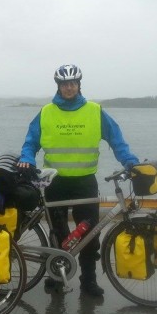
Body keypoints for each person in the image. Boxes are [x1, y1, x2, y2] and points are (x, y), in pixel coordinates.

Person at [18, 64, 139, 297]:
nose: (69, 87)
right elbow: (31, 142)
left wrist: (129, 161)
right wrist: (26, 158)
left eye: (73, 83)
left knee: (89, 235)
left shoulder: (94, 110)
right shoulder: (46, 112)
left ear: (79, 85)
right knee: (59, 235)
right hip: (55, 183)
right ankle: (56, 278)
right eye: (64, 84)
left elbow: (116, 139)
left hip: (85, 182)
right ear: (59, 86)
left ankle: (88, 282)